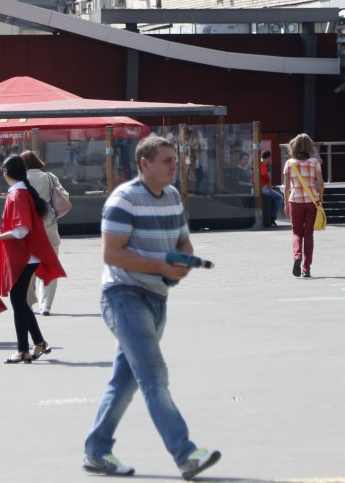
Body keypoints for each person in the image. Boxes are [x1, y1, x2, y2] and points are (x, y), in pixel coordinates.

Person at [82, 136, 221, 480]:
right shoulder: (124, 199)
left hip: (157, 298)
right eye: (167, 160)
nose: (176, 165)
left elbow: (182, 238)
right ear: (145, 164)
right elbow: (111, 253)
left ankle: (96, 451)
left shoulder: (172, 196)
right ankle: (186, 454)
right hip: (123, 295)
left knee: (125, 382)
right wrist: (161, 265)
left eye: (175, 159)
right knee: (154, 378)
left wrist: (184, 258)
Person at [0, 155, 64, 362]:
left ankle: (23, 350)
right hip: (28, 255)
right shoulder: (22, 192)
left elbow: (21, 230)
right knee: (20, 302)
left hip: (23, 256)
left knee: (18, 302)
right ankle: (38, 343)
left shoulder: (18, 195)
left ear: (6, 173)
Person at [21, 151, 67, 316]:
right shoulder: (49, 177)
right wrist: (54, 216)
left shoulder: (21, 179)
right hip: (49, 227)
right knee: (50, 265)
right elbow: (64, 197)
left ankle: (28, 303)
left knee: (29, 267)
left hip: (29, 229)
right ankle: (46, 305)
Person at [283, 133, 323, 278]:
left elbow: (287, 187)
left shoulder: (289, 163)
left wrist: (286, 203)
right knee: (309, 235)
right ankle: (306, 269)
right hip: (312, 201)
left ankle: (297, 256)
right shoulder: (314, 162)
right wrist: (320, 198)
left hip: (295, 201)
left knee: (296, 233)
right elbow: (320, 183)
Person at [259, 150, 283, 227]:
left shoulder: (260, 163)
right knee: (280, 197)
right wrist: (269, 183)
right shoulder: (262, 165)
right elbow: (265, 177)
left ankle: (271, 216)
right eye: (270, 158)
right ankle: (272, 218)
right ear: (268, 158)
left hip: (263, 187)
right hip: (262, 188)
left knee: (274, 197)